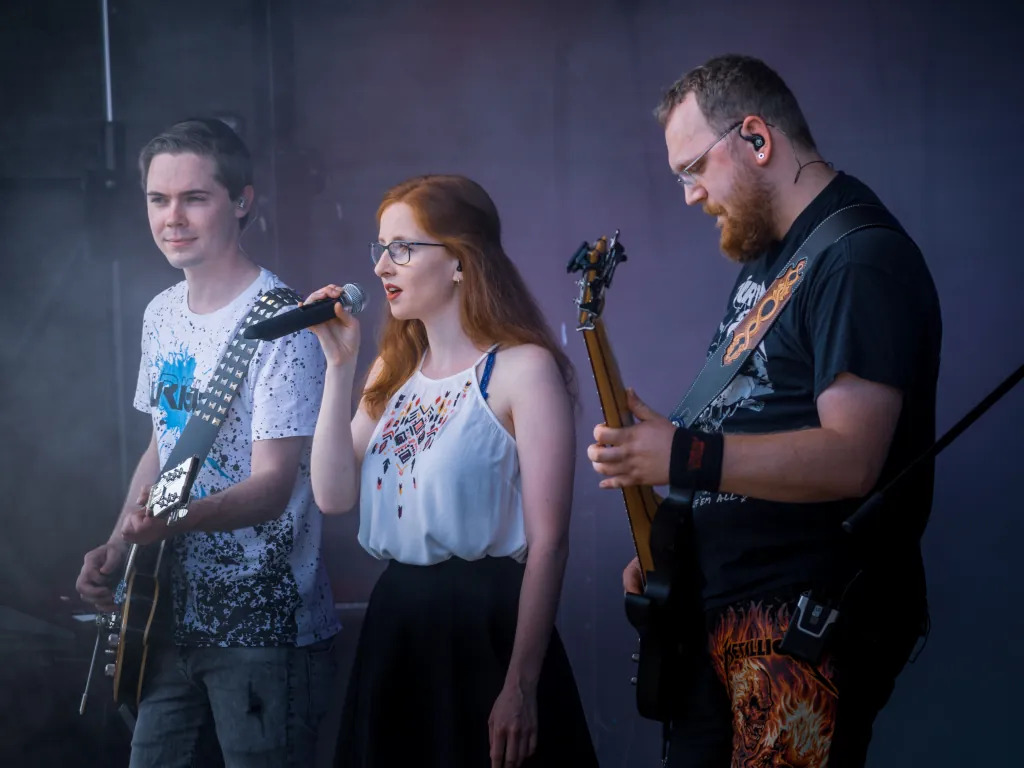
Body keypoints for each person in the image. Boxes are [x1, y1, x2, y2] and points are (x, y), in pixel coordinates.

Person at [587, 54, 941, 767]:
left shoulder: (858, 258)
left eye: (694, 168)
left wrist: (682, 454)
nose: (690, 194)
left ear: (755, 137)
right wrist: (675, 539)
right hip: (722, 612)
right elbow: (753, 419)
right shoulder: (774, 258)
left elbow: (851, 456)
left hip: (801, 623)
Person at [305, 174, 598, 768]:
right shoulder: (394, 368)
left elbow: (550, 544)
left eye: (403, 248)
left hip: (485, 627)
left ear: (461, 260)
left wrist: (520, 684)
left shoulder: (522, 370)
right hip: (398, 624)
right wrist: (338, 366)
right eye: (380, 247)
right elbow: (332, 496)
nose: (382, 266)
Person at [75, 117, 340, 768]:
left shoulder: (284, 324)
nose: (173, 218)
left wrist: (175, 520)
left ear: (242, 201)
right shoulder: (161, 313)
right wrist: (119, 546)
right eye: (158, 199)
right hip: (164, 615)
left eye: (194, 198)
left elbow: (274, 487)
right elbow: (162, 448)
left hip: (264, 624)